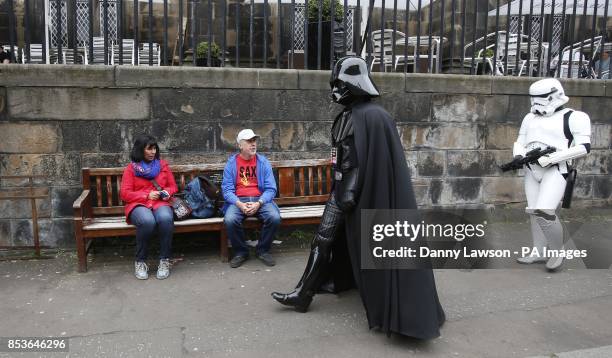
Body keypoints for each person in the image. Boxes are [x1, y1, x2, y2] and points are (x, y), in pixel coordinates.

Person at [271, 56, 445, 339]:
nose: (335, 91)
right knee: (323, 239)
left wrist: (350, 191)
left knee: (327, 240)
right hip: (343, 191)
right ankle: (304, 293)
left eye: (339, 84)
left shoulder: (374, 117)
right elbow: (344, 158)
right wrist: (344, 188)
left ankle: (306, 294)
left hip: (356, 193)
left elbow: (365, 161)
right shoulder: (350, 116)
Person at [513, 78, 591, 271]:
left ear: (554, 95)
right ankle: (538, 251)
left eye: (541, 98)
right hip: (532, 170)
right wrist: (518, 155)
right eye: (534, 99)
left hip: (556, 169)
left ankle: (557, 252)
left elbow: (584, 147)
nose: (536, 103)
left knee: (545, 211)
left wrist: (554, 158)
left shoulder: (575, 117)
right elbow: (520, 141)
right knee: (533, 211)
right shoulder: (529, 118)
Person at [120, 135, 178, 280]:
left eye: (154, 148)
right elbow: (125, 194)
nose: (153, 152)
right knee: (147, 221)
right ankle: (140, 261)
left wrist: (166, 192)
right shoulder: (131, 169)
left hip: (160, 203)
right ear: (141, 150)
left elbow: (173, 186)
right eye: (149, 149)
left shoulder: (162, 165)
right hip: (139, 204)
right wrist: (146, 195)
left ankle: (164, 260)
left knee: (165, 218)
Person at [222, 129, 281, 268]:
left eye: (254, 141)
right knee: (230, 220)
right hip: (239, 200)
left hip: (260, 199)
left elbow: (271, 188)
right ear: (240, 145)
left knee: (274, 217)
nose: (253, 144)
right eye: (249, 141)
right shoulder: (231, 164)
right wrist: (239, 204)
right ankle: (241, 252)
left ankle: (263, 250)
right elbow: (227, 190)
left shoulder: (263, 162)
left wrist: (259, 203)